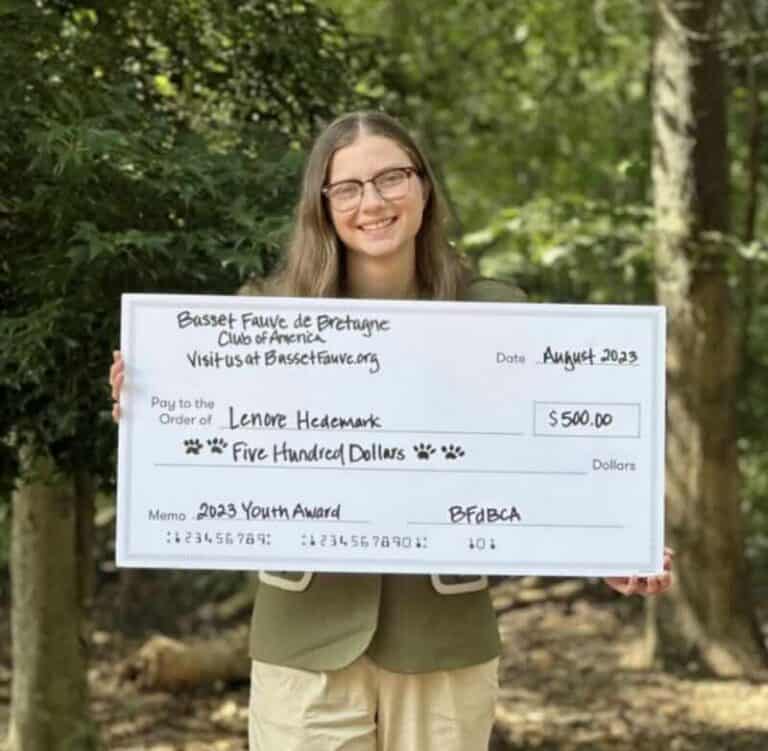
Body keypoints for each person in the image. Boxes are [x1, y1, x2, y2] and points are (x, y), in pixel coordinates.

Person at [110, 111, 673, 751]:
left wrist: (615, 547)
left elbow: (555, 459)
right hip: (305, 641)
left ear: (424, 188)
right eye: (347, 187)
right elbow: (201, 453)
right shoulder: (261, 318)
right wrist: (148, 404)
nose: (371, 202)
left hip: (444, 641)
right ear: (322, 206)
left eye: (391, 178)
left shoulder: (498, 315)